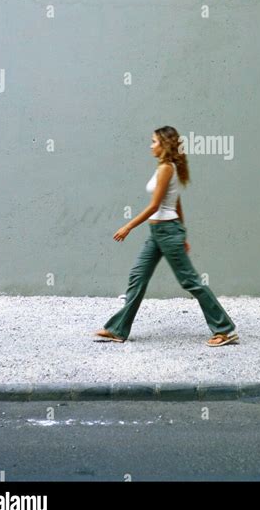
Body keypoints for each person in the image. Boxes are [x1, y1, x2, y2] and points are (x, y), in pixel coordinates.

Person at [94, 125, 239, 347]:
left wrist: (128, 226)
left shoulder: (166, 169)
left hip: (166, 231)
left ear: (164, 143)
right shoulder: (168, 167)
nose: (150, 146)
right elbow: (176, 202)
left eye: (153, 141)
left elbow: (155, 206)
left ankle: (224, 330)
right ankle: (118, 329)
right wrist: (183, 233)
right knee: (137, 276)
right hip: (160, 233)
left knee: (190, 281)